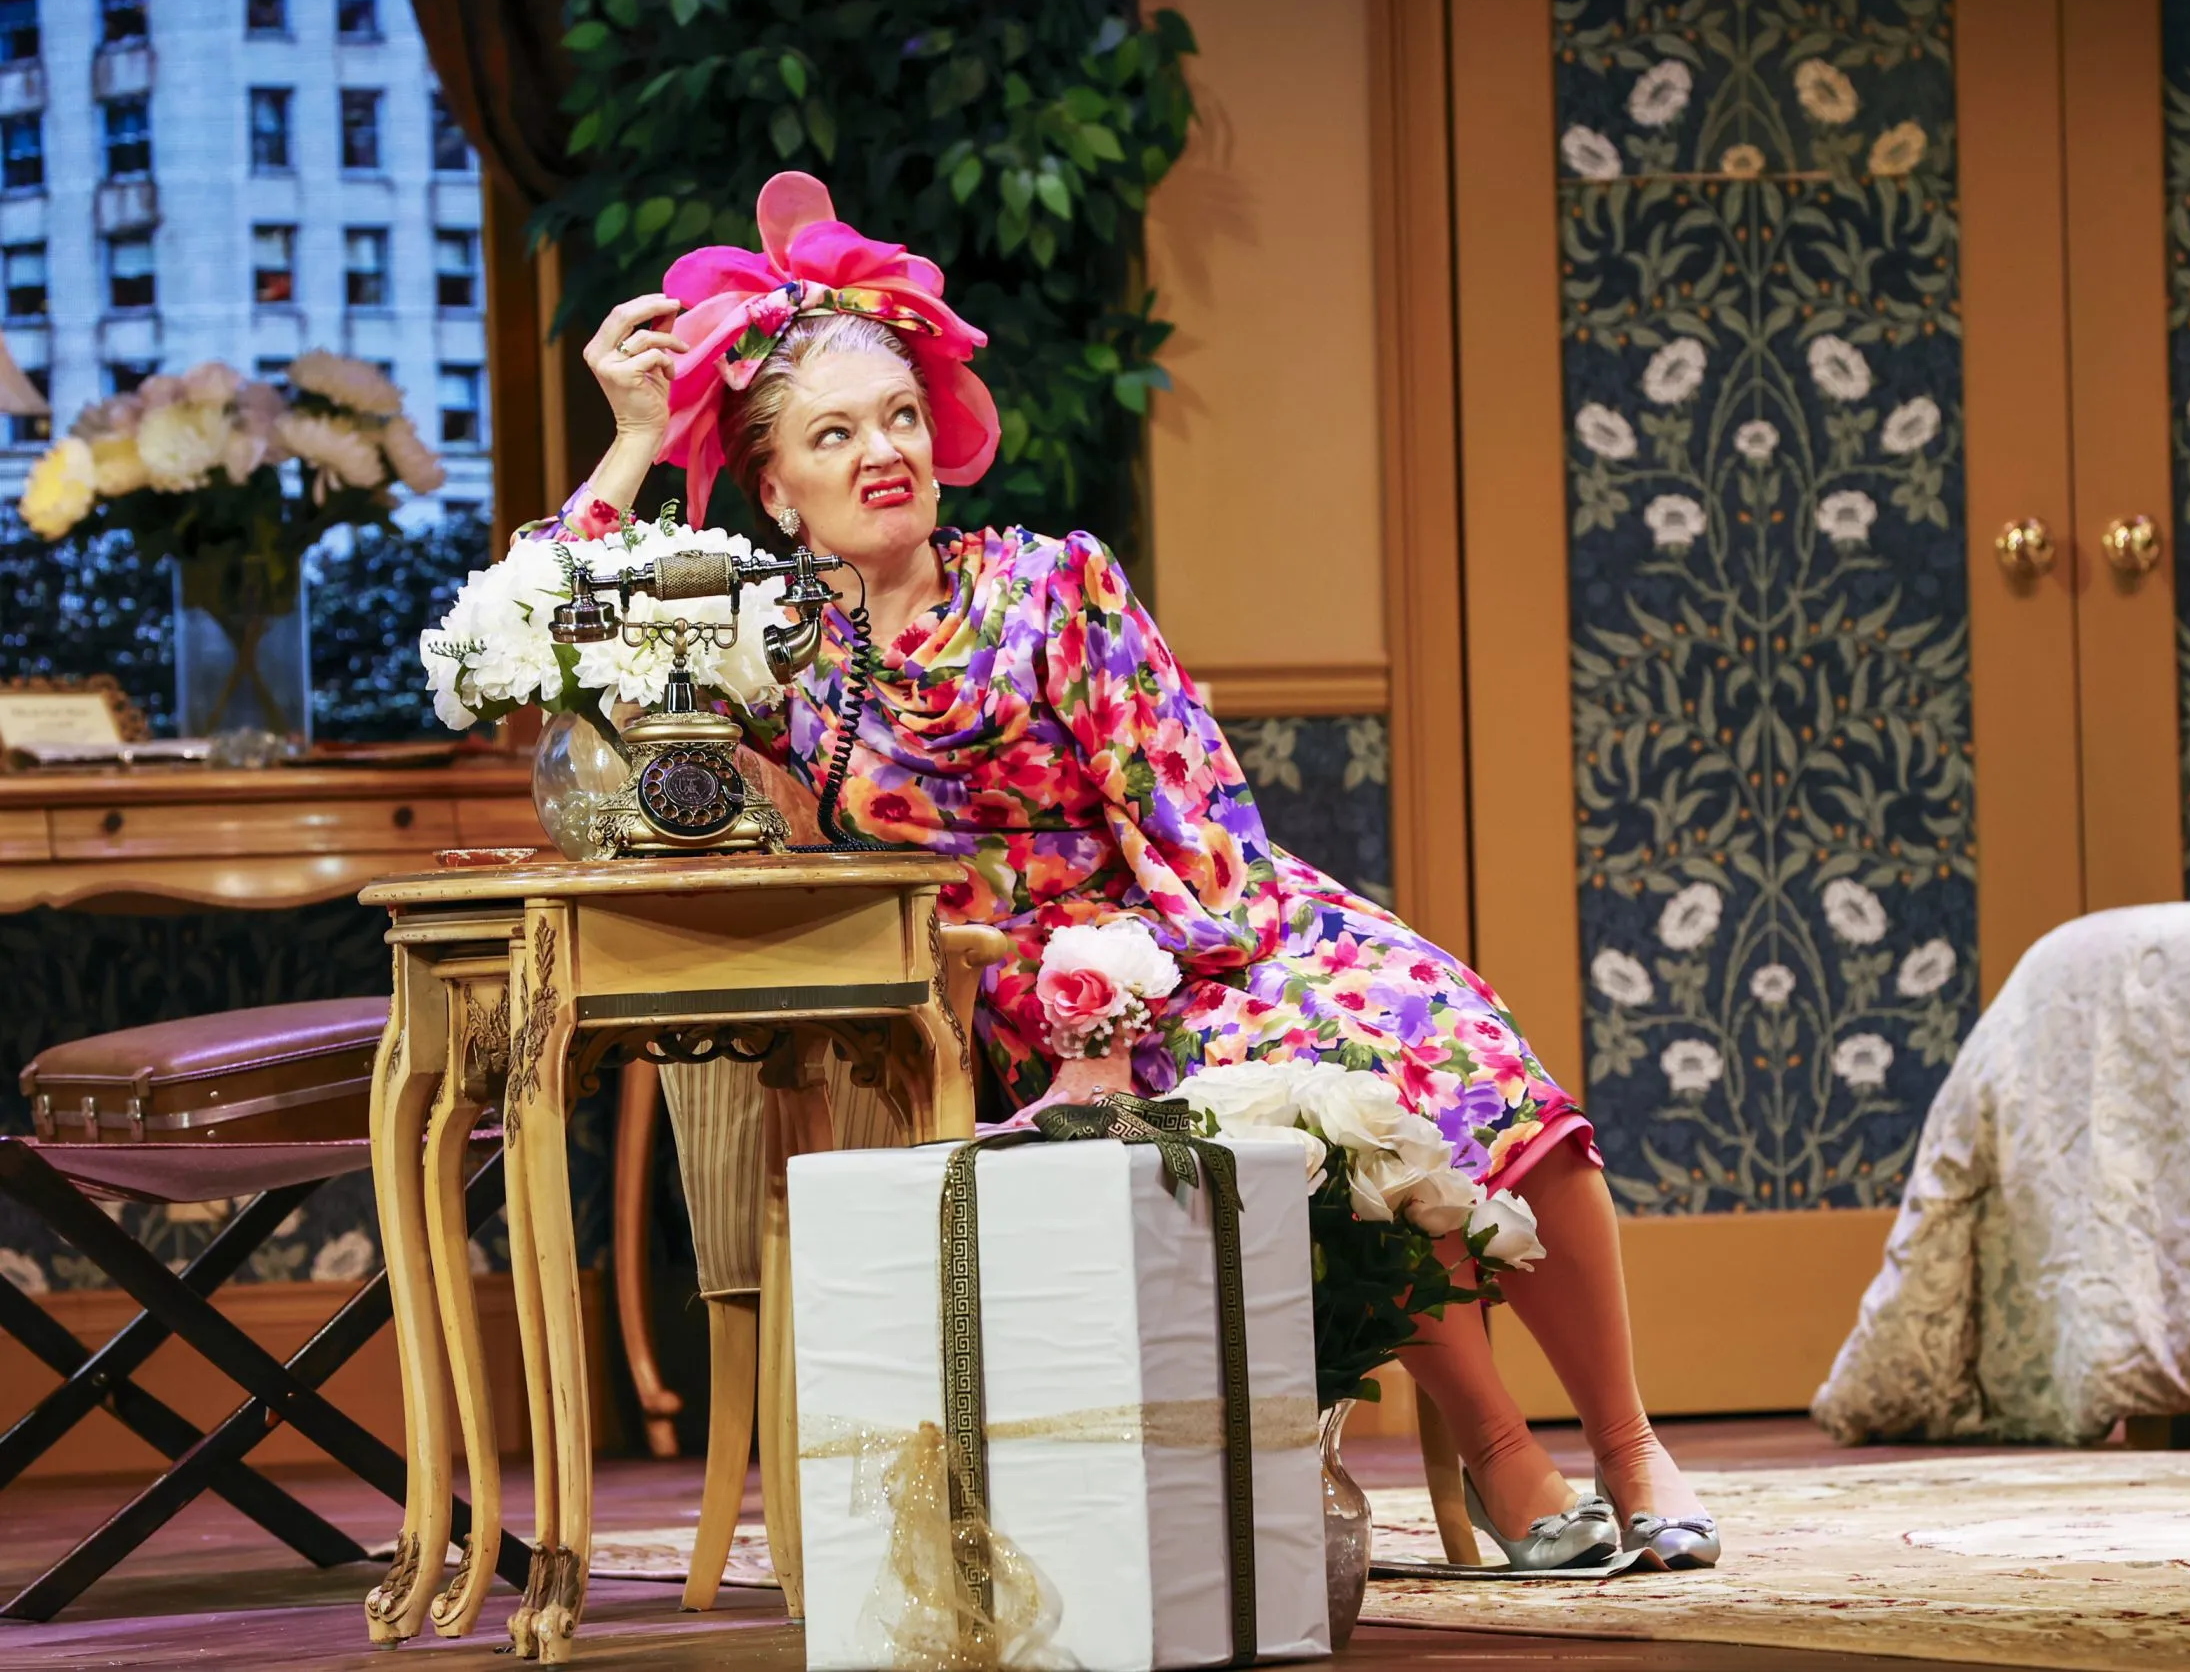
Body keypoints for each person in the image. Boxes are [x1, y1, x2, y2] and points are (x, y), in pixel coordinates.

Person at [533, 172, 1717, 1572]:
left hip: (1204, 927)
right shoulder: (763, 650)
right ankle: (1511, 1458)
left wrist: (1174, 961)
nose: (881, 452)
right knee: (1319, 1099)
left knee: (1439, 1028)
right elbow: (558, 633)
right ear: (775, 486)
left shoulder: (1051, 587)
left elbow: (1195, 813)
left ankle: (1631, 1439)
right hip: (1030, 1008)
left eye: (900, 416)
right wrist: (626, 442)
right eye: (834, 434)